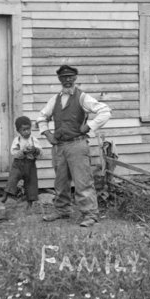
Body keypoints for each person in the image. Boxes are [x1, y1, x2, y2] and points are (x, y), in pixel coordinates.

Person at [37, 65, 111, 228]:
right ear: (59, 79)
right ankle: (62, 210)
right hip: (60, 147)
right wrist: (47, 134)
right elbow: (41, 117)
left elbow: (105, 111)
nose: (67, 80)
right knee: (60, 181)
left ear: (75, 78)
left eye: (70, 77)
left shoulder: (82, 97)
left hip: (77, 144)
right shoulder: (55, 99)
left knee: (82, 181)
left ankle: (91, 214)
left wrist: (90, 126)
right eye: (63, 77)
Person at [3, 115, 42, 207]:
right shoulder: (17, 140)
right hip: (19, 164)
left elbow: (40, 153)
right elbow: (14, 152)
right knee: (13, 178)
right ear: (18, 131)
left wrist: (35, 150)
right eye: (24, 130)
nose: (27, 132)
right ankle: (6, 195)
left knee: (31, 182)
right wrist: (23, 151)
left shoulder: (33, 140)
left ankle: (30, 202)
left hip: (30, 164)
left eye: (28, 129)